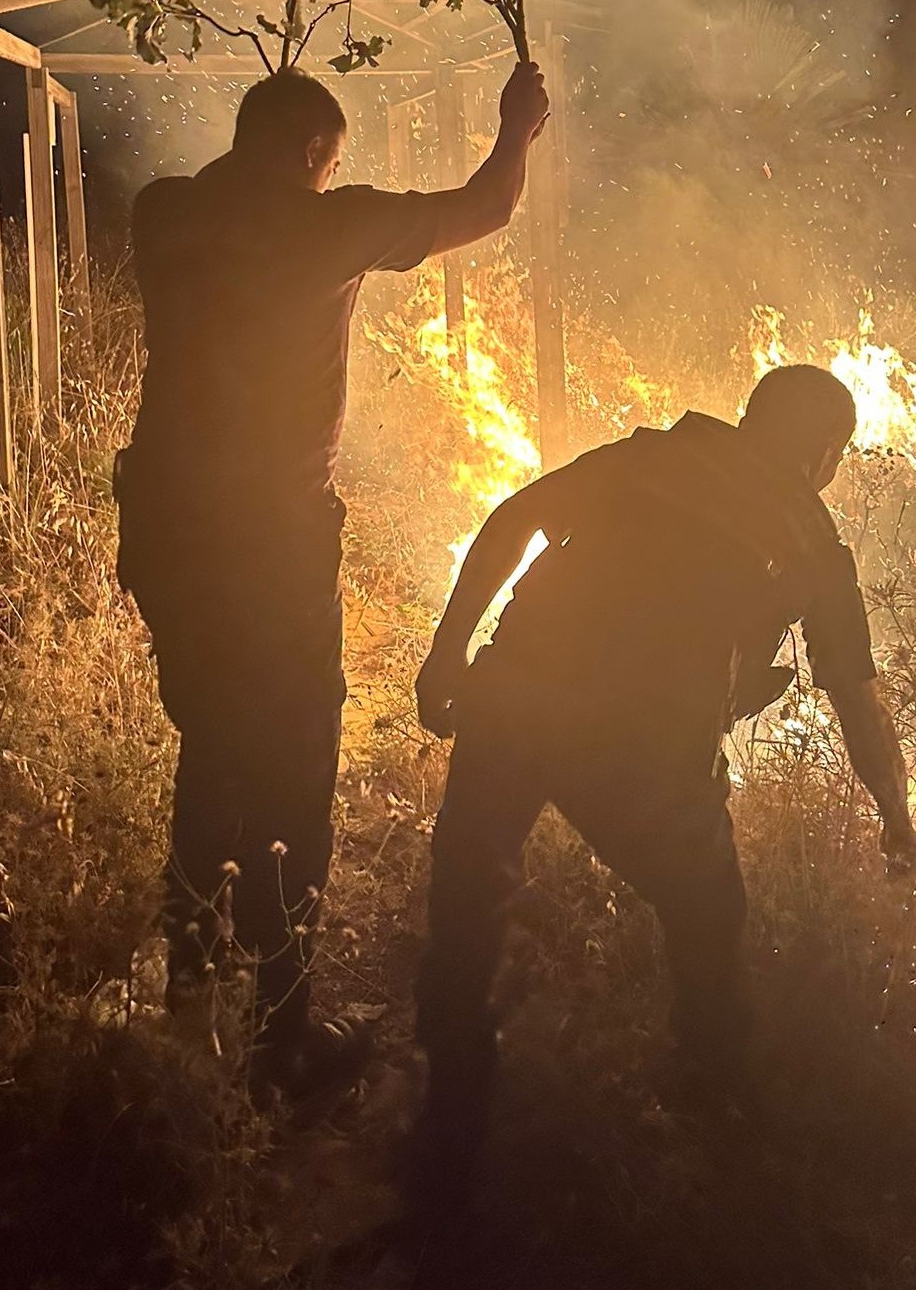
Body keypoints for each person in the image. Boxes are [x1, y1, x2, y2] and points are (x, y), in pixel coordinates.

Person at [115, 60, 550, 1097]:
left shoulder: (163, 211)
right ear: (316, 153)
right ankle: (282, 1033)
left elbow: (235, 200)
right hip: (267, 540)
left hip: (167, 528)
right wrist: (516, 128)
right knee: (295, 769)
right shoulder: (332, 224)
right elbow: (486, 207)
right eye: (332, 159)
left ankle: (190, 991)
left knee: (214, 739)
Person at [412, 364, 916, 1163]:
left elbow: (515, 518)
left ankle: (449, 1104)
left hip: (517, 692)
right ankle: (715, 1104)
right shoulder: (810, 543)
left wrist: (449, 654)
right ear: (826, 452)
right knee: (710, 913)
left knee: (470, 887)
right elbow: (860, 707)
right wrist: (898, 820)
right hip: (640, 747)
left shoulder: (650, 455)